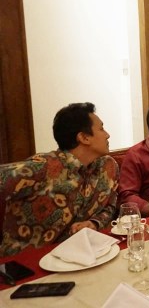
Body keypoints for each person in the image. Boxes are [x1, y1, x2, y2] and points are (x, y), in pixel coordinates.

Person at [0, 103, 117, 257]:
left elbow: (109, 207)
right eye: (101, 129)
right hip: (26, 264)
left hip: (79, 257)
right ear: (84, 137)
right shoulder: (43, 167)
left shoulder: (107, 166)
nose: (107, 134)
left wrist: (94, 223)